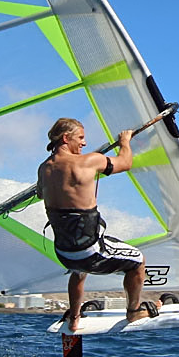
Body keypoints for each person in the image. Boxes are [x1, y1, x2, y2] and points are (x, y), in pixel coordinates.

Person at [38, 117, 158, 332]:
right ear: (66, 138)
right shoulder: (89, 161)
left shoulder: (43, 169)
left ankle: (74, 316)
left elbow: (40, 192)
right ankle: (133, 311)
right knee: (138, 261)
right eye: (81, 138)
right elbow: (125, 163)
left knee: (77, 270)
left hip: (64, 253)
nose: (84, 143)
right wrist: (125, 142)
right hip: (90, 252)